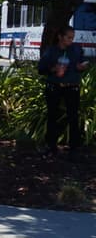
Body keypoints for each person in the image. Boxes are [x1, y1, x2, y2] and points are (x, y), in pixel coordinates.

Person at [38, 26, 90, 158]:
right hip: (54, 86)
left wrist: (81, 67)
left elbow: (83, 63)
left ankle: (74, 149)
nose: (71, 40)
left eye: (72, 38)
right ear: (60, 37)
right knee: (52, 116)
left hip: (72, 86)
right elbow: (41, 69)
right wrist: (54, 69)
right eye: (68, 37)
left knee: (73, 116)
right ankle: (51, 146)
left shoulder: (76, 50)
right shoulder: (51, 51)